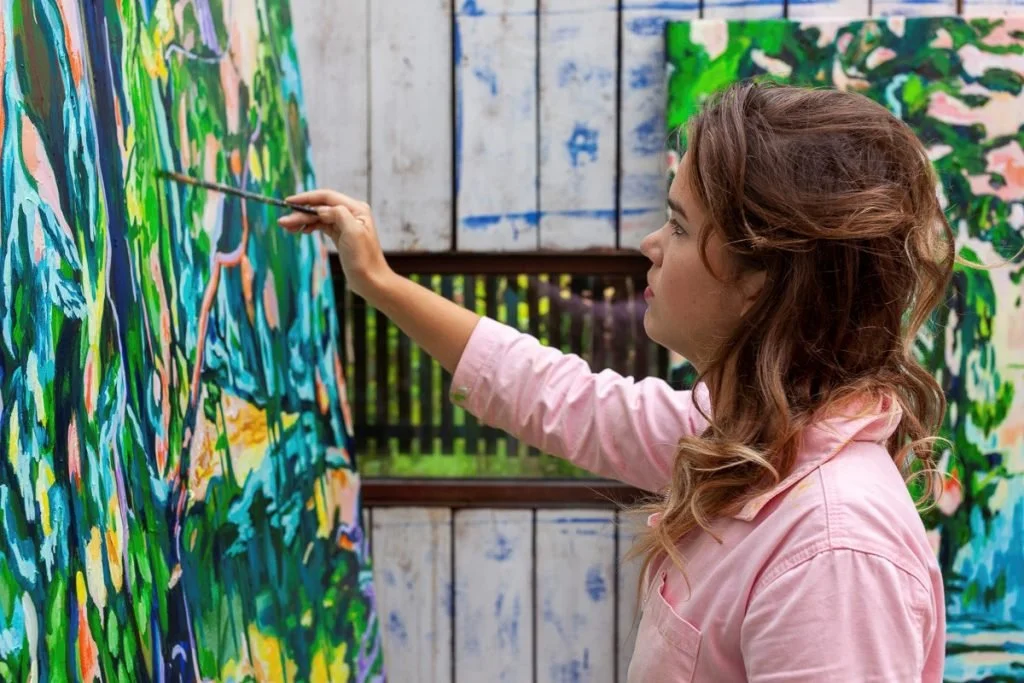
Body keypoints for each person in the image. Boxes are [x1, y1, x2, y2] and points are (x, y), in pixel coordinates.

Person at [279, 81, 953, 681]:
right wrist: (379, 283)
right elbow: (557, 395)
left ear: (762, 281)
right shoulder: (749, 437)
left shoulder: (834, 551)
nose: (651, 245)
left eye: (680, 226)